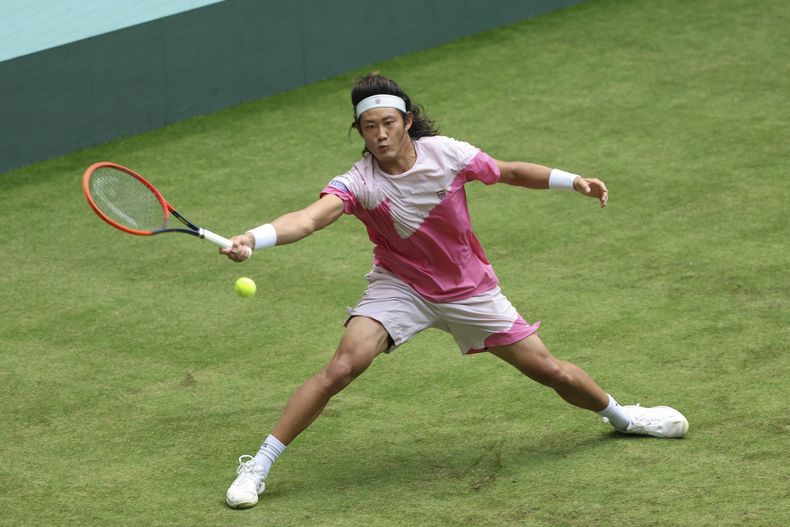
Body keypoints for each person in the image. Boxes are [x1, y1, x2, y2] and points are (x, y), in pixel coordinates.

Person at [219, 73, 688, 509]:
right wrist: (252, 238)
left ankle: (625, 418)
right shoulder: (358, 182)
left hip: (469, 290)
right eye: (368, 127)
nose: (379, 135)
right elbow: (308, 218)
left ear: (406, 122)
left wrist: (573, 182)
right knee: (343, 366)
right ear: (359, 132)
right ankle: (258, 465)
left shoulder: (448, 154)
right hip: (400, 287)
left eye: (387, 123)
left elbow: (508, 171)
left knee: (550, 370)